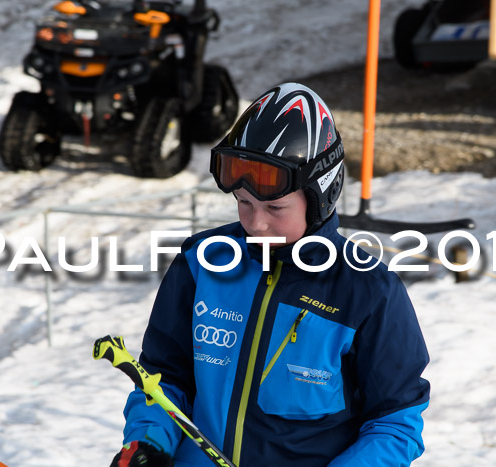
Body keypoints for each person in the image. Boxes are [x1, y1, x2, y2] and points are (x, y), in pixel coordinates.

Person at [110, 83, 430, 467]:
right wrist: (149, 442)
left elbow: (394, 424)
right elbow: (165, 379)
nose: (255, 223)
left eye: (275, 207)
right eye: (244, 203)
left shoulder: (367, 291)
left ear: (320, 197)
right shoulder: (203, 263)